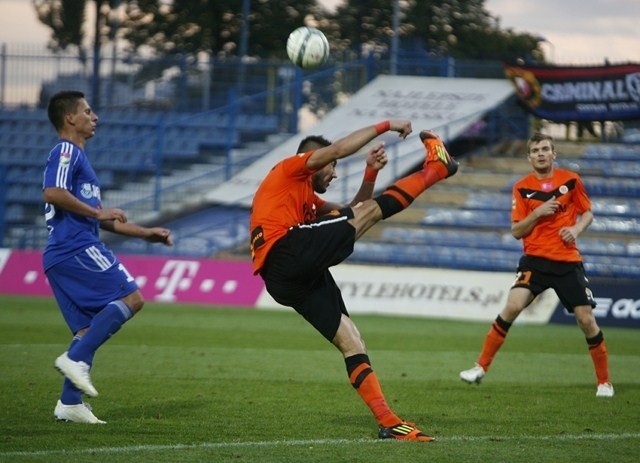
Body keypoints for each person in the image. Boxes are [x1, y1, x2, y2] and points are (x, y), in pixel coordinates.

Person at [249, 120, 458, 441]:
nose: (334, 173)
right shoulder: (290, 170)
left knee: (351, 340)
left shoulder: (307, 199)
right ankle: (437, 170)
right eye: (331, 167)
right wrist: (386, 125)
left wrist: (371, 172)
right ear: (315, 159)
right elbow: (340, 152)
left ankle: (388, 423)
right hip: (285, 251)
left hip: (286, 278)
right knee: (368, 214)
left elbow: (356, 210)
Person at [43, 90, 174, 424]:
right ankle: (77, 360)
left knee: (87, 329)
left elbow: (97, 216)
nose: (94, 116)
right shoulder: (66, 151)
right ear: (70, 118)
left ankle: (70, 404)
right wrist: (96, 214)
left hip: (62, 253)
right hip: (75, 247)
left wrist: (147, 233)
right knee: (132, 298)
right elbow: (53, 192)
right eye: (87, 111)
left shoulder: (80, 160)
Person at [459, 132, 613, 398]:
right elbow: (517, 231)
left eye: (545, 149)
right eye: (535, 150)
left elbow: (588, 213)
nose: (540, 153)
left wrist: (575, 230)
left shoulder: (572, 181)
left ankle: (604, 382)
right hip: (535, 260)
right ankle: (480, 367)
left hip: (567, 261)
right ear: (529, 157)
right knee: (513, 305)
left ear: (553, 153)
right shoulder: (521, 187)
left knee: (586, 320)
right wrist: (537, 213)